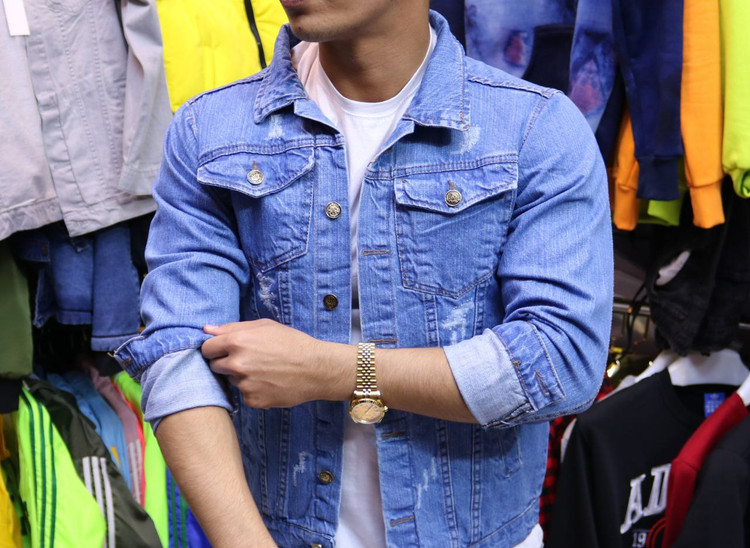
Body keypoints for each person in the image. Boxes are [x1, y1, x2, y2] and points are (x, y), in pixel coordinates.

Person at [114, 2, 613, 546]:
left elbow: (563, 360)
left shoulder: (533, 130)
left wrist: (338, 371)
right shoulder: (210, 131)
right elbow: (178, 356)